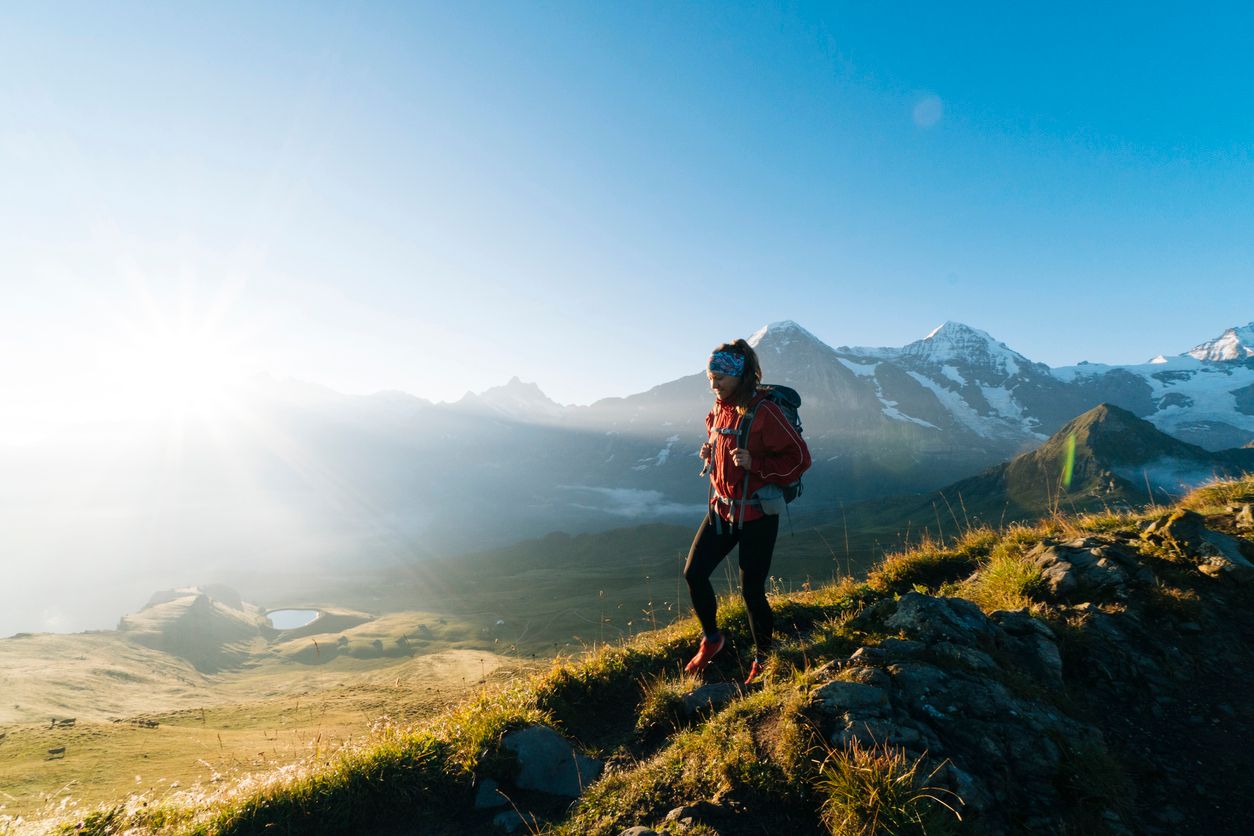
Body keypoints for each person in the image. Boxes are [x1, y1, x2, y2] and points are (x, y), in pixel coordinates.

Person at [684, 339, 811, 685]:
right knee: (694, 574)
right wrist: (711, 451)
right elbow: (721, 440)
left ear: (740, 376)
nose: (714, 383)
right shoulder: (719, 408)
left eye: (721, 376)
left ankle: (763, 658)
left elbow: (800, 458)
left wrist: (757, 465)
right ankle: (713, 639)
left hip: (757, 515)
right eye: (711, 377)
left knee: (751, 591)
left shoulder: (765, 412)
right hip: (722, 510)